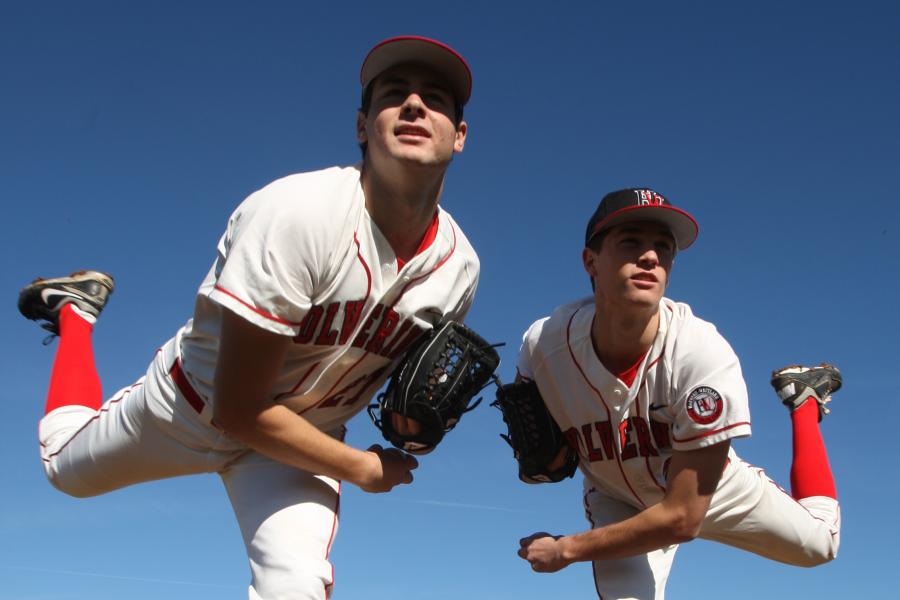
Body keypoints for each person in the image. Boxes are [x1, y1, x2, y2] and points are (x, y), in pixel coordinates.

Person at [18, 35, 478, 600]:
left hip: (302, 442)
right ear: (362, 126)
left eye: (435, 98)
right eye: (394, 94)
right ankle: (75, 316)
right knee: (63, 470)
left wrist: (415, 429)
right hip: (186, 412)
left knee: (296, 586)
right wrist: (361, 467)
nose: (413, 105)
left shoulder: (460, 268)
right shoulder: (298, 213)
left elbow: (402, 386)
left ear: (459, 136)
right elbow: (239, 410)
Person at [514, 188, 842, 599]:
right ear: (590, 261)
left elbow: (683, 517)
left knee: (820, 546)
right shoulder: (542, 345)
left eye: (663, 248)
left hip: (709, 490)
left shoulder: (700, 353)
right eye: (631, 241)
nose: (651, 257)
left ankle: (804, 401)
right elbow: (535, 436)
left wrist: (567, 548)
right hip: (616, 496)